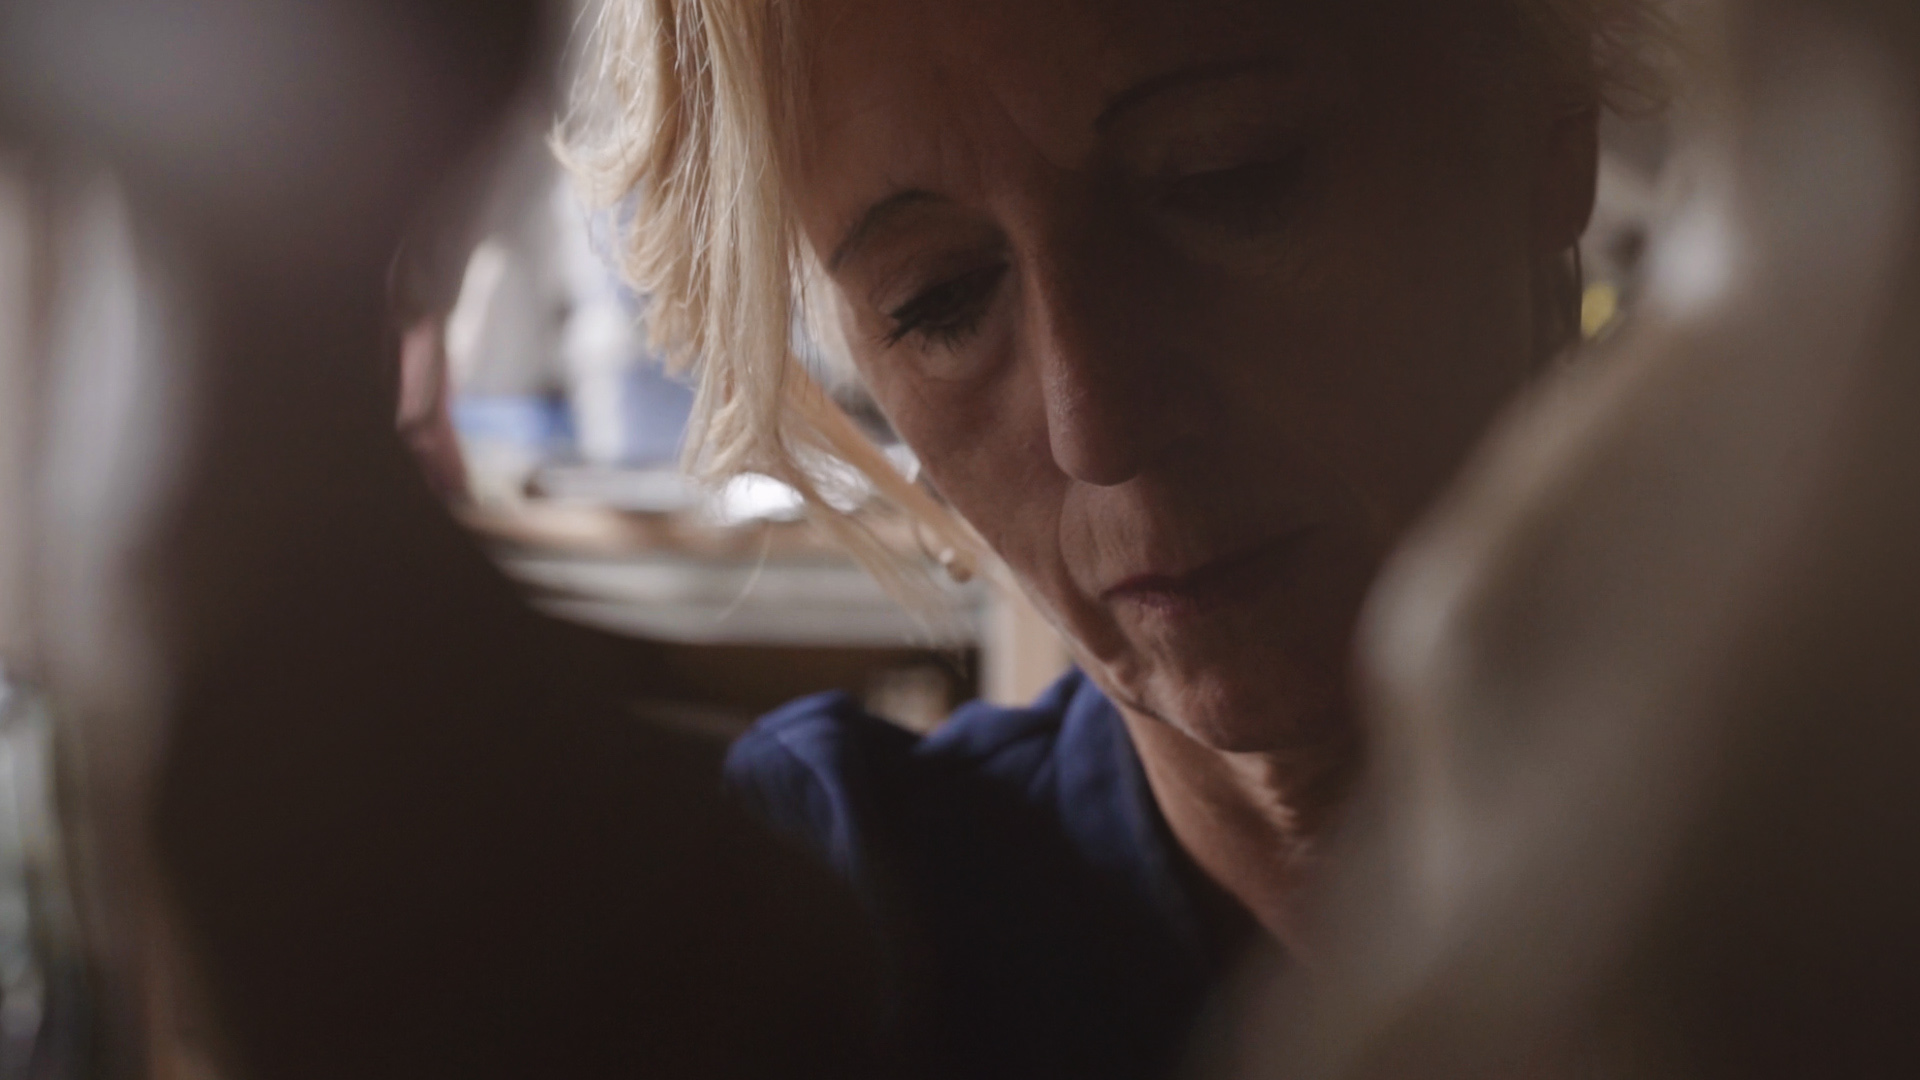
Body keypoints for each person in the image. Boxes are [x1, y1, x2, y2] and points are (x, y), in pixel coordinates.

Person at [561, 0, 1671, 1076]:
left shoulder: (1773, 893)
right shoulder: (829, 940)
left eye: (1224, 175)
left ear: (1548, 124)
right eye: (938, 298)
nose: (1097, 425)